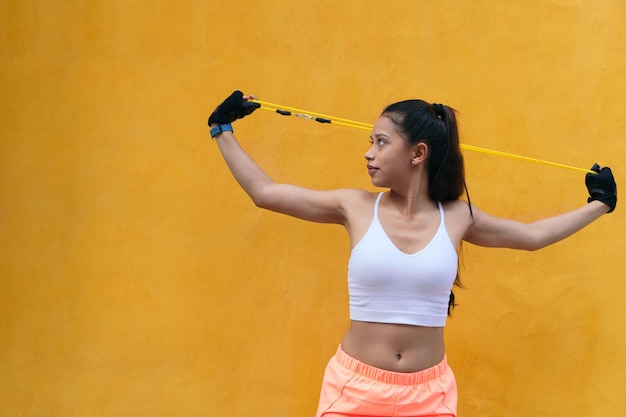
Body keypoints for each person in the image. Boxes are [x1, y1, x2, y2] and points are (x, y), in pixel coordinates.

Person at [208, 90, 617, 417]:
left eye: (381, 142)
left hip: (429, 395)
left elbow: (531, 235)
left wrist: (599, 204)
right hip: (354, 389)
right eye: (370, 142)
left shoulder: (458, 217)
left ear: (417, 154)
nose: (368, 153)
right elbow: (266, 194)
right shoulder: (353, 206)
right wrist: (222, 129)